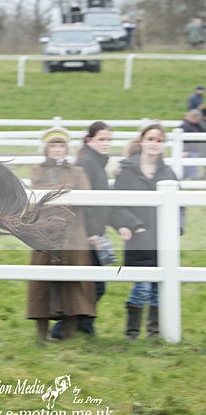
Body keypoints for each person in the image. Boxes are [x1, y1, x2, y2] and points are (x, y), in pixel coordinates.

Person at [50, 122, 136, 339]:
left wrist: (121, 225)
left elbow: (103, 203)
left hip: (90, 233)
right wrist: (90, 232)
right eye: (101, 139)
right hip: (82, 235)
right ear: (90, 140)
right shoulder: (87, 163)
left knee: (91, 283)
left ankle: (83, 327)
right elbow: (82, 203)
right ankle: (65, 328)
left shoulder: (95, 163)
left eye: (108, 140)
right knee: (94, 285)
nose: (106, 143)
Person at [26, 127, 96, 342]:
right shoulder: (38, 170)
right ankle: (41, 334)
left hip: (73, 233)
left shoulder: (77, 172)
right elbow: (38, 196)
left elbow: (85, 196)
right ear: (46, 148)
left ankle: (69, 334)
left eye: (61, 145)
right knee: (42, 281)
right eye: (53, 145)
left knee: (73, 282)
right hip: (45, 232)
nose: (57, 149)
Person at [114, 123, 181, 339]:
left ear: (163, 145)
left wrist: (176, 228)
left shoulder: (169, 173)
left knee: (158, 289)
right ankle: (132, 333)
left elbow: (181, 207)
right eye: (150, 139)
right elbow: (117, 204)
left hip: (163, 241)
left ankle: (155, 333)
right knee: (141, 286)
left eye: (159, 140)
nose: (154, 144)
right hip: (138, 239)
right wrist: (135, 225)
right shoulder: (127, 172)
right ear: (142, 141)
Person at [180, 109, 205, 180]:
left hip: (195, 150)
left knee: (189, 170)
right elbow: (183, 141)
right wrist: (185, 150)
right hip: (189, 151)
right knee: (191, 171)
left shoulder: (196, 125)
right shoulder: (185, 125)